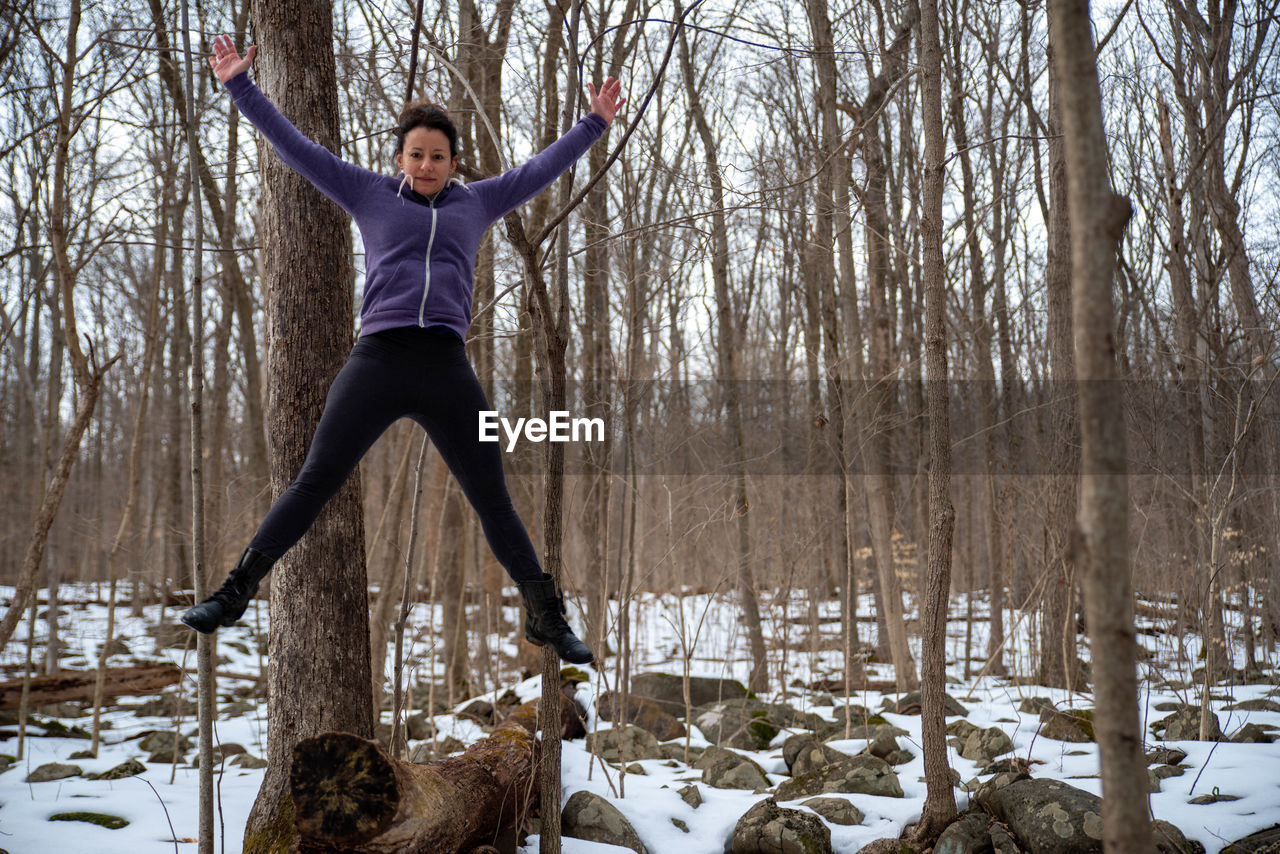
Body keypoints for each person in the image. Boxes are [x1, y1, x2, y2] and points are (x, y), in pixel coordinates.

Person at [182, 34, 624, 665]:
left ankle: (546, 618)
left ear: (453, 162)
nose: (426, 165)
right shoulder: (367, 193)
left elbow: (539, 170)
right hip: (378, 362)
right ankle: (233, 594)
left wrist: (594, 123)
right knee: (313, 482)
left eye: (438, 156)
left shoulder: (478, 202)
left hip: (445, 367)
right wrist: (238, 84)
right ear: (399, 158)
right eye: (415, 154)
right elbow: (295, 147)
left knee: (493, 496)